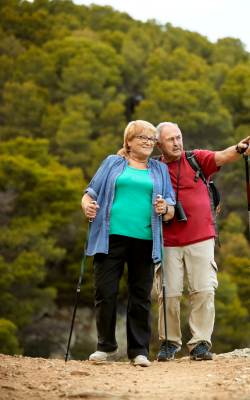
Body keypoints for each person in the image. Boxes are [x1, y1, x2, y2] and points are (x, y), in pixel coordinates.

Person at [118, 122, 250, 361]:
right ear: (158, 144)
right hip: (167, 239)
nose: (176, 143)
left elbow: (222, 156)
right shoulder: (153, 167)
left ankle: (200, 343)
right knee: (167, 294)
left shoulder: (196, 159)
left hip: (201, 237)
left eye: (178, 137)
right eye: (170, 140)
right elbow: (130, 162)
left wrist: (240, 148)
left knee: (203, 290)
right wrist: (123, 154)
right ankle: (169, 343)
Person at [82, 120, 176, 367]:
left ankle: (138, 351)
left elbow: (170, 208)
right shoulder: (112, 162)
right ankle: (106, 347)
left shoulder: (159, 169)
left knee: (140, 295)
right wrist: (87, 207)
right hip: (110, 238)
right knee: (105, 291)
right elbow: (90, 193)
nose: (147, 142)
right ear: (129, 141)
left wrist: (165, 207)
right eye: (142, 138)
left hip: (145, 240)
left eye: (151, 139)